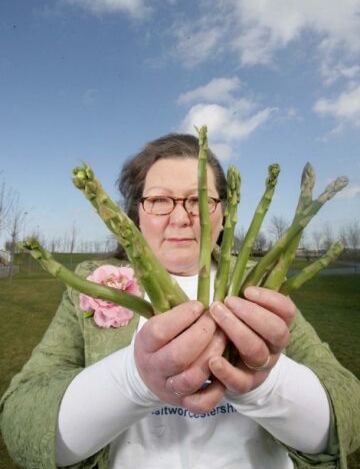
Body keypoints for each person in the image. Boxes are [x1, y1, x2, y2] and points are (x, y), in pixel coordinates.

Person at [1, 133, 359, 469]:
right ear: (136, 212)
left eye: (198, 199)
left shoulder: (263, 284)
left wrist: (268, 384)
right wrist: (134, 379)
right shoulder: (94, 283)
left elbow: (348, 415)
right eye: (159, 199)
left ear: (223, 211)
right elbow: (22, 424)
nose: (182, 216)